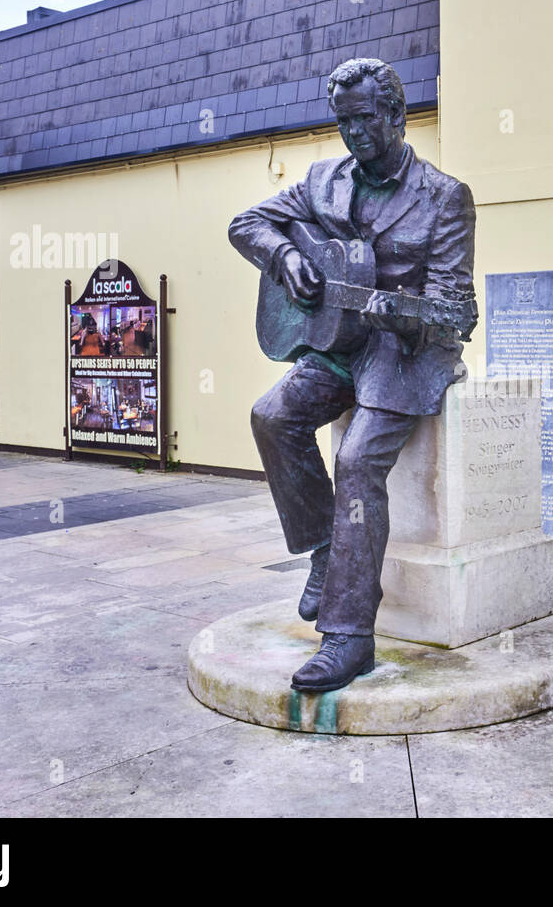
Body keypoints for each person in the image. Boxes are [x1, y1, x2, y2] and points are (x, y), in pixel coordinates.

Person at [228, 58, 477, 693]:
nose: (354, 134)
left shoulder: (444, 197)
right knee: (272, 415)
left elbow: (452, 310)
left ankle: (348, 638)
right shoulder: (322, 180)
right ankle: (321, 549)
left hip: (406, 353)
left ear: (397, 115)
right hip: (339, 344)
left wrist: (389, 308)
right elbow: (246, 224)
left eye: (365, 119)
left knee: (359, 460)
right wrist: (285, 256)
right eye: (343, 121)